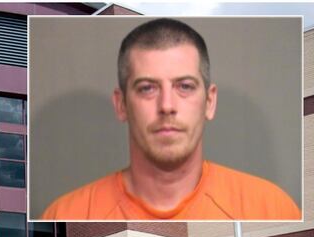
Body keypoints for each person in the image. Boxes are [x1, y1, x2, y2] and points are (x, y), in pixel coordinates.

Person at [40, 18, 301, 221]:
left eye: (185, 86)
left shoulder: (271, 206)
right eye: (147, 88)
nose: (167, 106)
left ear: (209, 102)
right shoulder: (66, 212)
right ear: (121, 105)